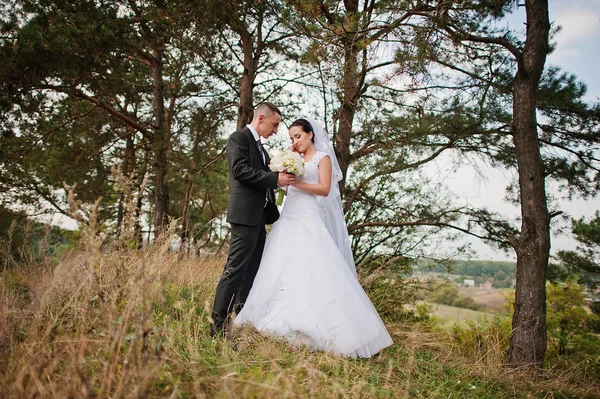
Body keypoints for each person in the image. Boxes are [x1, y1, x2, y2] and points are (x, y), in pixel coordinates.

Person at [234, 118, 393, 358]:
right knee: (279, 268)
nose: (294, 142)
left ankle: (321, 328)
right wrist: (283, 174)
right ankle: (273, 319)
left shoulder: (322, 158)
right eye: (291, 138)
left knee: (312, 270)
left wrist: (298, 182)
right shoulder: (293, 158)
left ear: (310, 134)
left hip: (308, 219)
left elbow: (324, 189)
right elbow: (285, 188)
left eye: (297, 136)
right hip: (287, 219)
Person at [210, 103, 297, 337]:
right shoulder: (238, 138)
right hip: (245, 216)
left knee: (252, 271)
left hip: (259, 217)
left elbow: (263, 179)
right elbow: (239, 170)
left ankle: (240, 320)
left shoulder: (262, 149)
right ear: (261, 118)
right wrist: (274, 179)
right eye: (275, 124)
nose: (276, 130)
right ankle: (217, 328)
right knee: (235, 270)